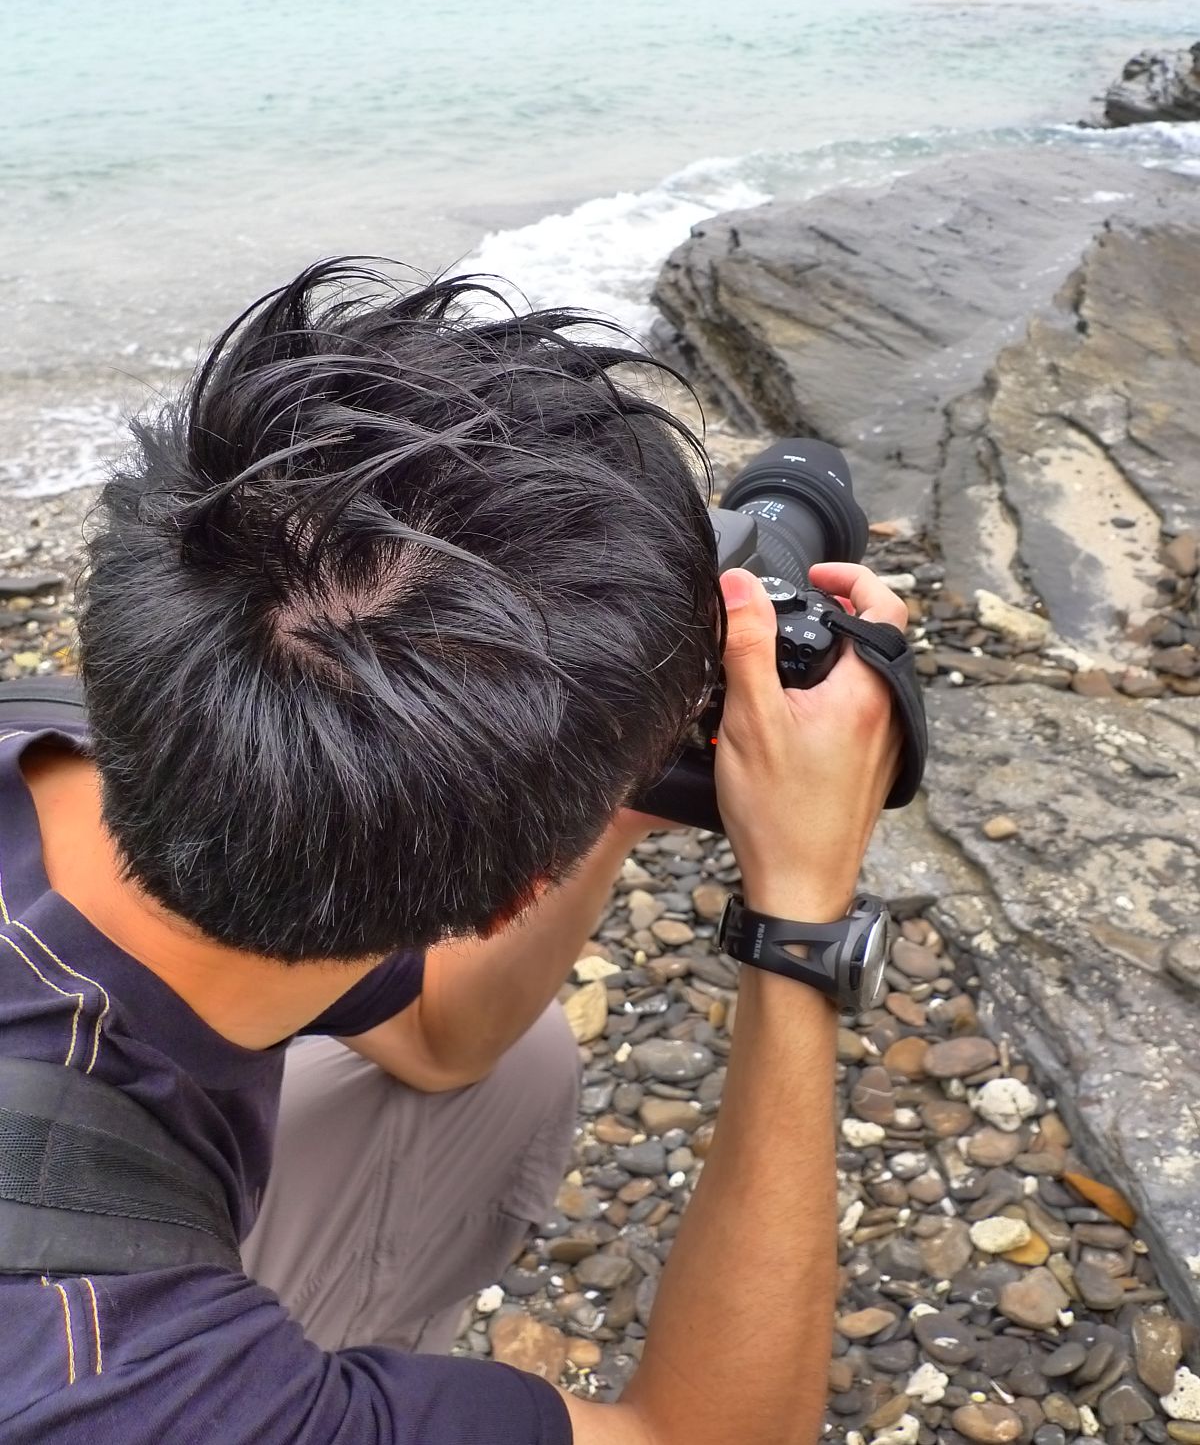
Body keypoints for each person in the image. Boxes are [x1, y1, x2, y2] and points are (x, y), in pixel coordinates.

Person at [0, 261, 903, 1444]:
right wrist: (801, 917)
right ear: (521, 892)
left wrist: (611, 787)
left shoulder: (66, 732)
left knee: (510, 1070)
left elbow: (442, 1040)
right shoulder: (117, 1382)